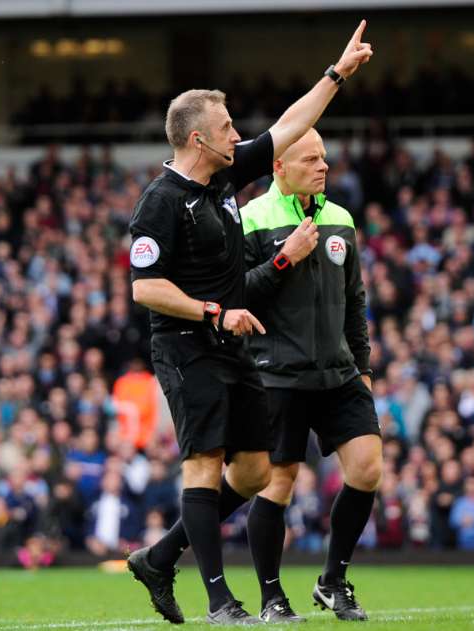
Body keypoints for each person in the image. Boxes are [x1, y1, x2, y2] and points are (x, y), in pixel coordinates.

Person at [125, 22, 373, 626]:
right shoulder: (161, 200)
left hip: (233, 343)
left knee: (255, 471)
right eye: (228, 128)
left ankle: (160, 557)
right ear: (196, 139)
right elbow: (145, 288)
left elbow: (288, 126)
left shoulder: (225, 176)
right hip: (188, 346)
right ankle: (220, 601)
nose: (240, 135)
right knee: (205, 466)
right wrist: (214, 310)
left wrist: (336, 74)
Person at [239, 127, 382, 622]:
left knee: (367, 468)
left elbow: (355, 301)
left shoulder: (340, 219)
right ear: (278, 166)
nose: (323, 167)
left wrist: (362, 368)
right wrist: (284, 258)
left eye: (324, 158)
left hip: (339, 372)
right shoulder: (251, 218)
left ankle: (333, 581)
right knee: (277, 486)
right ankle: (271, 597)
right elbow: (238, 296)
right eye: (310, 160)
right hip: (276, 374)